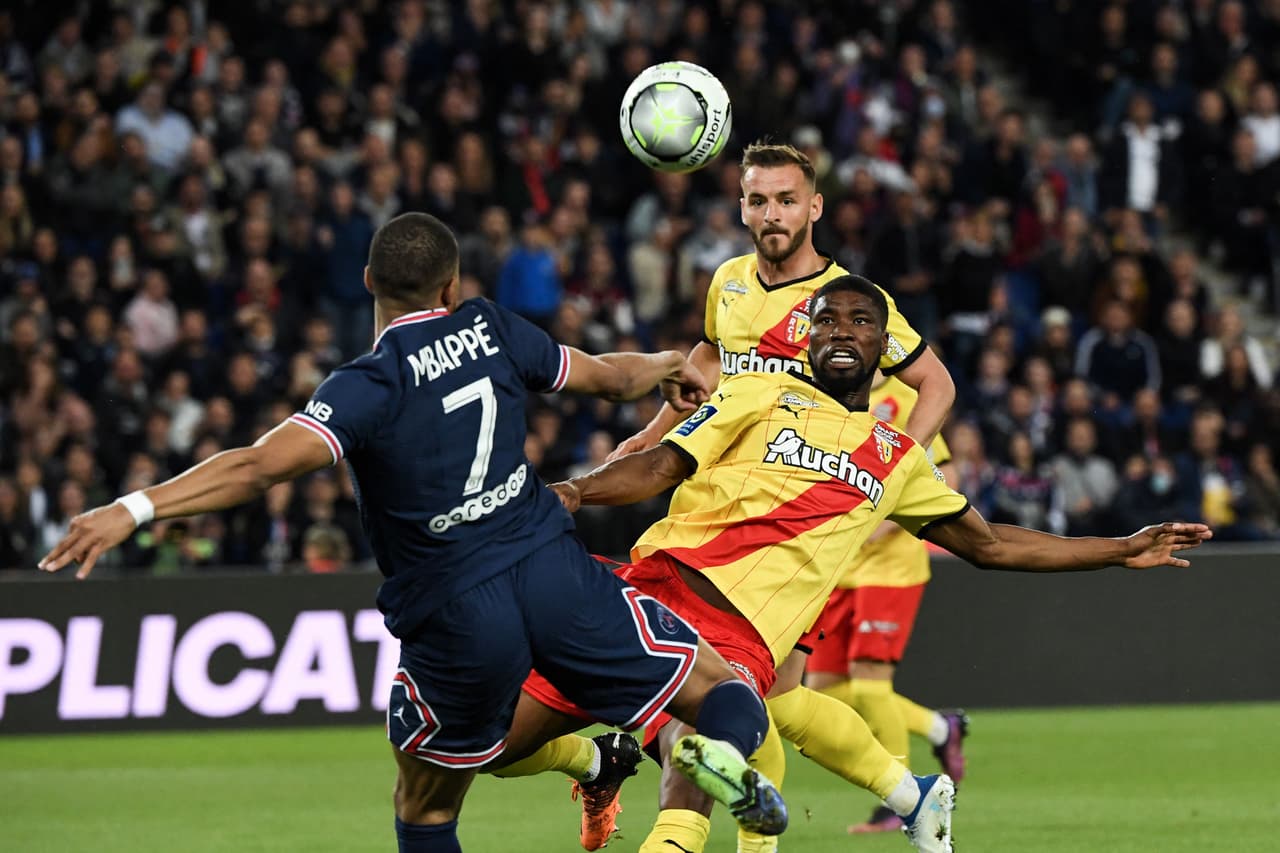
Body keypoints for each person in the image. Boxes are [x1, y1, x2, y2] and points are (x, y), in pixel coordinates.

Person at [39, 213, 790, 853]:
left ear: (368, 282)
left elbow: (258, 466)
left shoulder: (368, 382)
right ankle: (714, 751)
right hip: (552, 570)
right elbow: (601, 372)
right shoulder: (491, 327)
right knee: (721, 688)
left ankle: (601, 762)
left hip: (457, 610)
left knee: (426, 801)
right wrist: (664, 364)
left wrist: (131, 508)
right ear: (452, 286)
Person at [501, 277, 1209, 853]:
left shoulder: (899, 456)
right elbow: (661, 464)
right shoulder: (754, 392)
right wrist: (577, 489)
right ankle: (597, 762)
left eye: (861, 320)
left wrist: (1119, 548)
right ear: (805, 339)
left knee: (691, 780)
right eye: (826, 319)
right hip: (645, 590)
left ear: (884, 343)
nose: (842, 329)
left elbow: (990, 543)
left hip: (735, 635)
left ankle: (757, 811)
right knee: (493, 743)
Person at [609, 141, 957, 851]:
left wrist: (894, 476)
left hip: (786, 535)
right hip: (707, 512)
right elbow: (707, 362)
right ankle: (911, 792)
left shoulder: (849, 303)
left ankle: (784, 831)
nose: (772, 214)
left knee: (738, 697)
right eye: (759, 200)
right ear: (741, 206)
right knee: (766, 698)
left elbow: (937, 384)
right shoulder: (730, 283)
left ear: (815, 206)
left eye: (787, 199)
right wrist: (649, 436)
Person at [802, 371, 969, 835]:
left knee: (872, 689)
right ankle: (940, 728)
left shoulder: (905, 401)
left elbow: (946, 476)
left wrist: (880, 524)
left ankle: (902, 801)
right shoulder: (823, 399)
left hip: (890, 571)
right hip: (840, 570)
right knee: (818, 693)